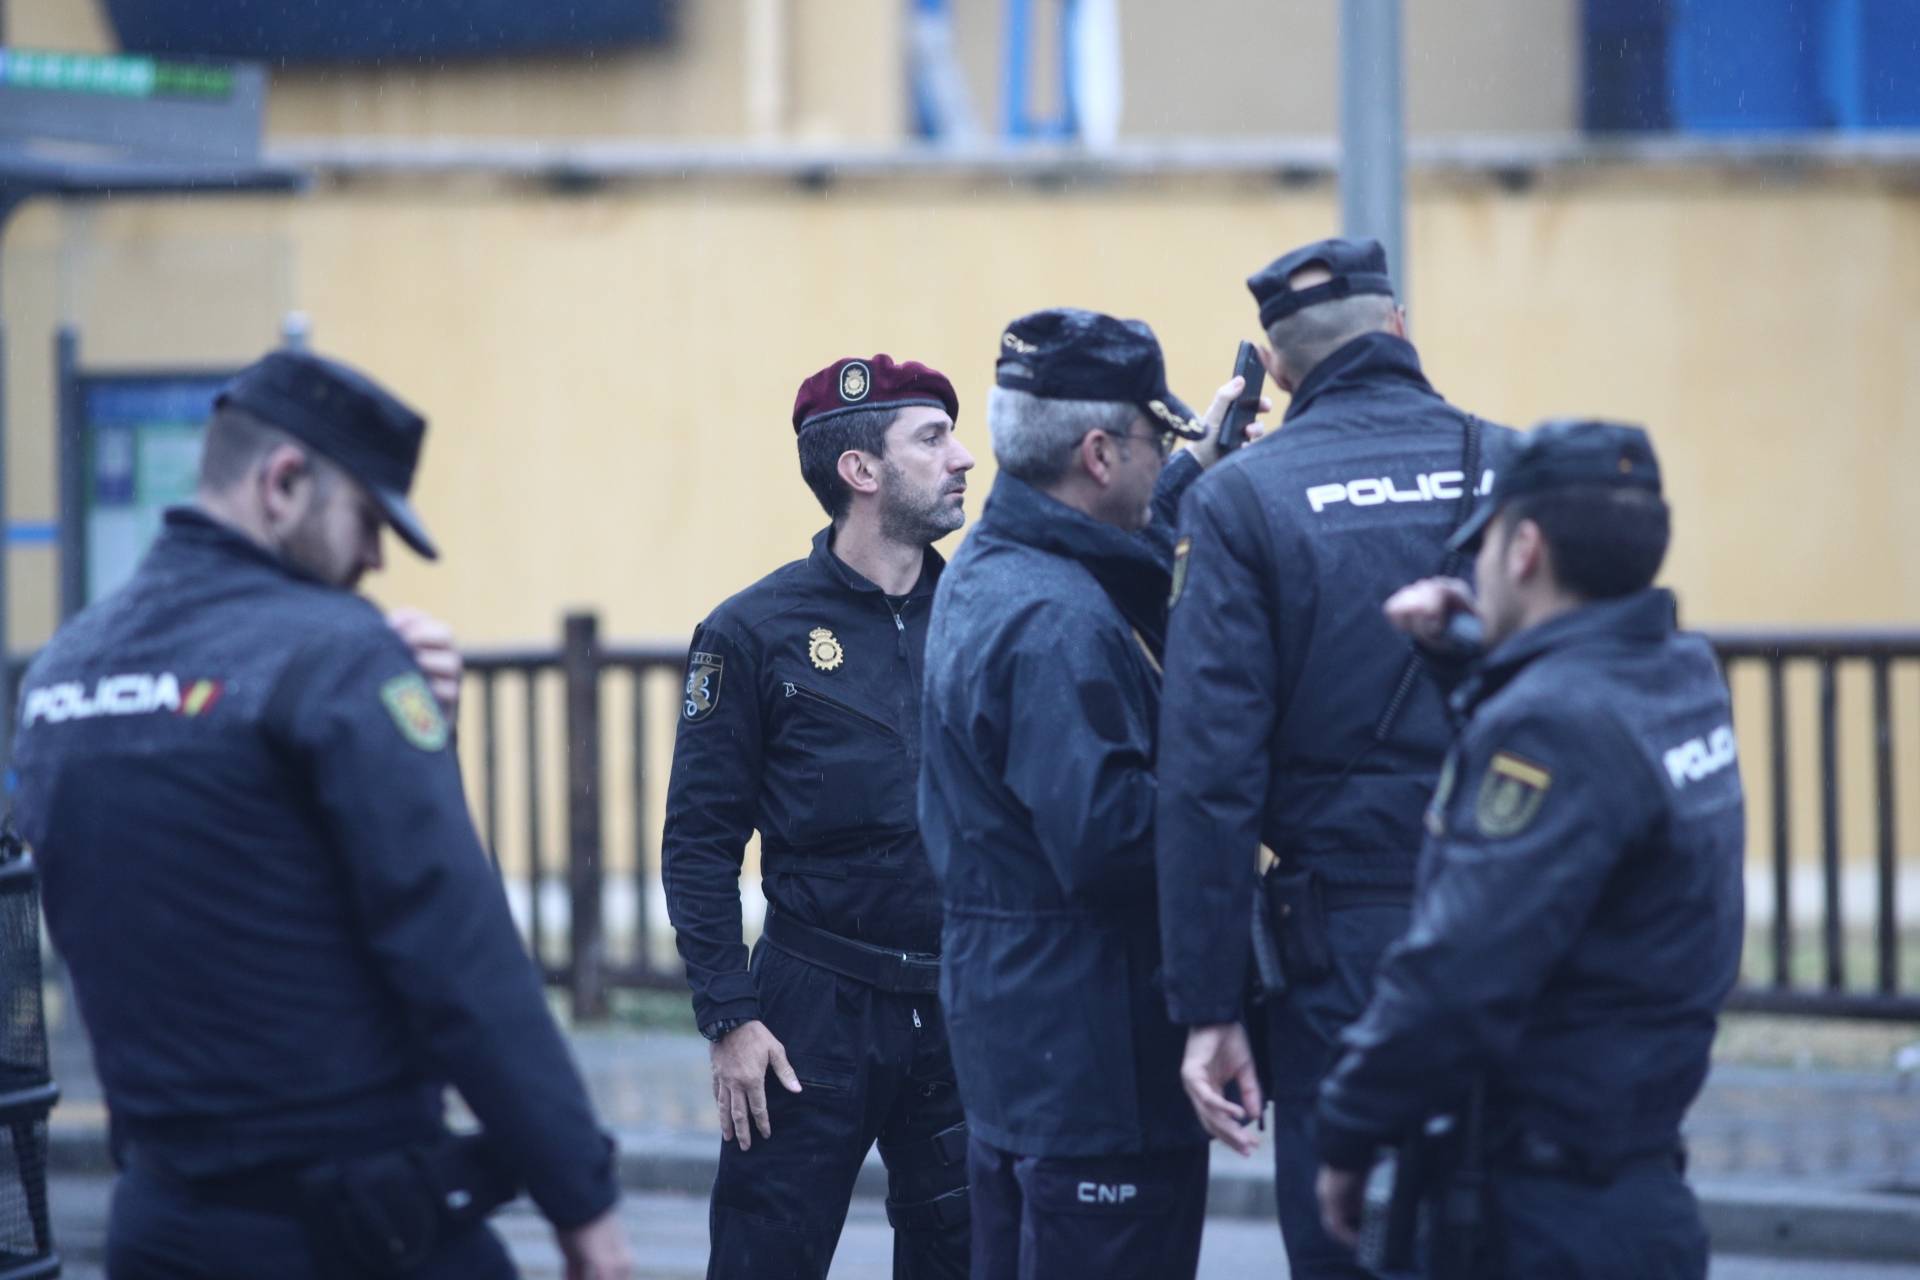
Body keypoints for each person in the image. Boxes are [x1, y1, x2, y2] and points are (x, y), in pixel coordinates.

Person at [8, 350, 633, 1279]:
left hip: (161, 1226)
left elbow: (231, 876)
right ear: (285, 483)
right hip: (354, 1229)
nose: (377, 559)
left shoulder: (62, 673)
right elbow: (457, 951)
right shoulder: (338, 656)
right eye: (369, 521)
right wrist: (583, 1208)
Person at [1152, 236, 1518, 1279]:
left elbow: (1208, 773)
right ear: (1398, 329)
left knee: (1347, 1229)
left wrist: (1209, 1006)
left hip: (1339, 944)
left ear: (1273, 370)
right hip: (1515, 909)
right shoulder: (1513, 464)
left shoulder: (1242, 500)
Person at [1312, 420, 1745, 1279]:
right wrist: (1467, 657)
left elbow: (1455, 971)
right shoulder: (1681, 676)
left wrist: (1349, 1129)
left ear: (1526, 551)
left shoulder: (1549, 726)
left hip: (1541, 1213)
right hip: (1638, 1180)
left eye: (1485, 546)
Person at [918, 308, 1258, 1280]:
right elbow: (1113, 841)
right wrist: (1237, 788)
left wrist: (1194, 481)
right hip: (1098, 1064)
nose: (1166, 457)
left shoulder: (999, 567)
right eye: (1160, 440)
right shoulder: (1057, 624)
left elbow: (1105, 560)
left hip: (1028, 1043)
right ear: (1101, 452)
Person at [661, 354, 976, 1279]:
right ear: (861, 472)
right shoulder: (752, 631)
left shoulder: (983, 611)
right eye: (933, 438)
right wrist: (730, 1019)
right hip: (811, 1015)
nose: (964, 458)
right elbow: (699, 842)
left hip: (962, 1008)